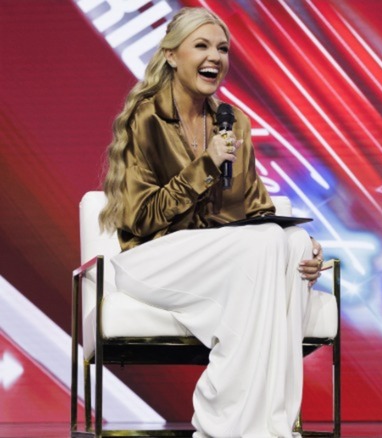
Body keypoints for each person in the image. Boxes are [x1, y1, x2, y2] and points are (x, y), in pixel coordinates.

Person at [98, 7, 323, 438]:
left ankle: (273, 425)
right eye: (201, 46)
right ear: (171, 55)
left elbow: (256, 209)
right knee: (263, 244)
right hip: (152, 259)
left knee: (291, 243)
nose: (214, 57)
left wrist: (307, 245)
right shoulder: (147, 117)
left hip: (221, 260)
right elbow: (141, 219)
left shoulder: (233, 123)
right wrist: (205, 166)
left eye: (222, 49)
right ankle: (220, 424)